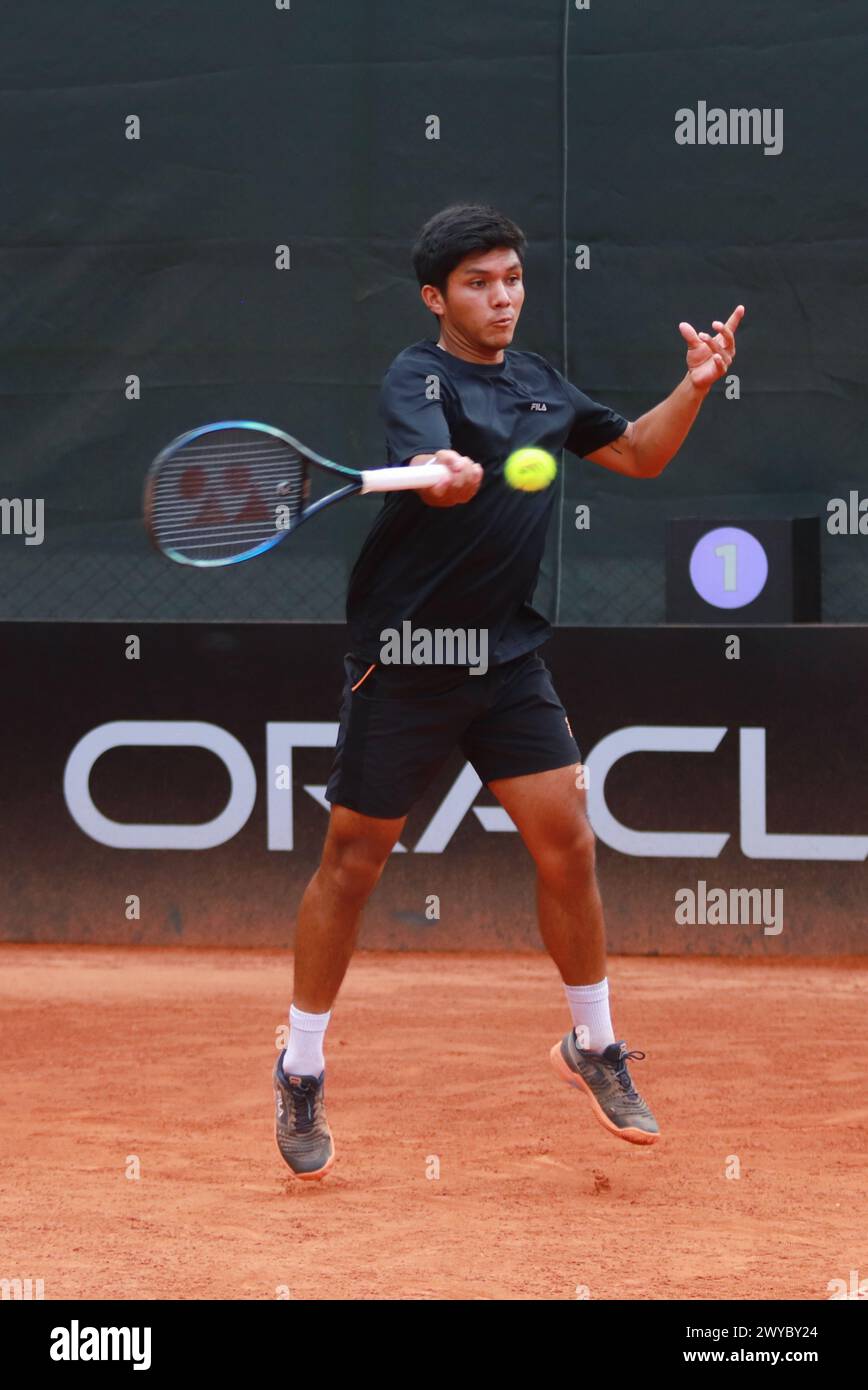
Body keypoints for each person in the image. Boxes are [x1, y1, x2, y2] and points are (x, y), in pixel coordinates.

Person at [273, 203, 744, 1178]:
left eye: (512, 280)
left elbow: (640, 454)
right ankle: (302, 1062)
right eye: (480, 283)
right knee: (353, 861)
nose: (502, 297)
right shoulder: (419, 375)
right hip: (405, 655)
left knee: (567, 840)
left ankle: (594, 1044)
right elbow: (427, 450)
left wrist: (693, 386)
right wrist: (438, 469)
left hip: (503, 658)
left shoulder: (539, 385)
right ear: (435, 297)